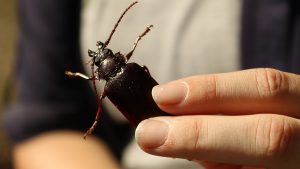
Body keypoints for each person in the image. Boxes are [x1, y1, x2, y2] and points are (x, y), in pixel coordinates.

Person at [4, 0, 300, 169]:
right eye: (102, 55)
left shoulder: (107, 85)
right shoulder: (128, 69)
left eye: (102, 55)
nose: (100, 54)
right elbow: (46, 126)